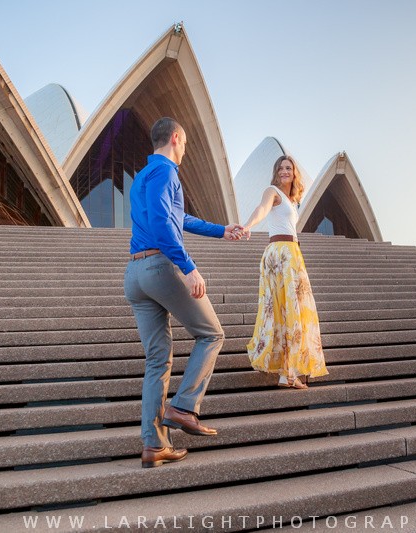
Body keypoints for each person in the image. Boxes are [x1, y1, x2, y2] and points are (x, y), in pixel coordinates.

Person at [124, 117, 246, 468]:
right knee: (212, 334)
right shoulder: (166, 172)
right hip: (160, 267)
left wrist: (221, 230)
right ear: (176, 138)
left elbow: (179, 218)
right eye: (186, 143)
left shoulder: (143, 176)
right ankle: (184, 406)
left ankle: (154, 445)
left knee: (157, 360)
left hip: (135, 273)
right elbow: (163, 223)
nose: (186, 149)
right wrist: (189, 268)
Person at [241, 155, 328, 389]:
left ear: (294, 172)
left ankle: (286, 373)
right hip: (280, 253)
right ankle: (289, 373)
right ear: (276, 171)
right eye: (280, 168)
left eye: (288, 168)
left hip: (292, 253)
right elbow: (262, 209)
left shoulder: (292, 200)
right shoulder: (272, 191)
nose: (284, 171)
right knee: (287, 310)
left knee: (290, 312)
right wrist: (248, 225)